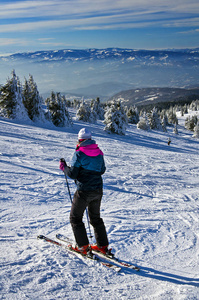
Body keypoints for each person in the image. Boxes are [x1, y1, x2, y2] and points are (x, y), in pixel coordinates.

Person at [59, 128, 110, 256]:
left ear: (80, 140)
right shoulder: (99, 152)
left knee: (75, 218)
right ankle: (102, 246)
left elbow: (73, 173)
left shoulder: (79, 153)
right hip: (98, 190)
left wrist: (64, 167)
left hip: (84, 191)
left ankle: (83, 247)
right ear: (90, 138)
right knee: (95, 218)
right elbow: (102, 170)